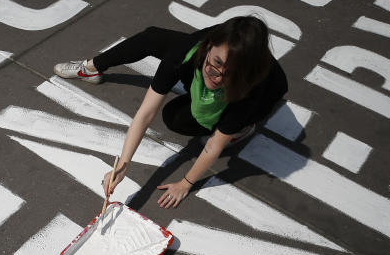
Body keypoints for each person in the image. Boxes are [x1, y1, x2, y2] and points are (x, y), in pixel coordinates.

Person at [53, 16, 288, 208]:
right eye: (215, 62)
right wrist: (122, 165)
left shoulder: (248, 89)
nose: (216, 76)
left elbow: (213, 146)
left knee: (178, 119)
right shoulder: (185, 53)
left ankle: (241, 129)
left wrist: (185, 183)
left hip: (264, 93)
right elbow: (145, 113)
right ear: (208, 46)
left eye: (228, 72)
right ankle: (90, 68)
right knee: (152, 37)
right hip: (203, 60)